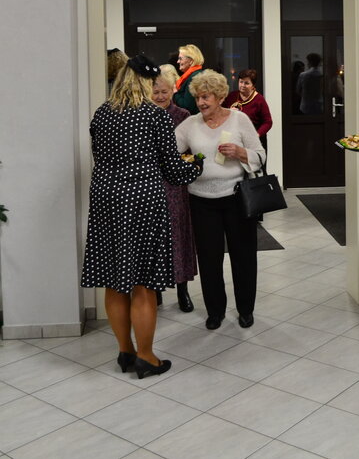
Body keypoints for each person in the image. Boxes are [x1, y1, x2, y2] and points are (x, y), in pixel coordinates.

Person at [81, 54, 202, 379]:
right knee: (144, 282)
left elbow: (100, 156)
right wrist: (197, 165)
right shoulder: (154, 116)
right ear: (147, 83)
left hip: (106, 199)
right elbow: (174, 171)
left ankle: (125, 351)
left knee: (114, 279)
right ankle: (146, 357)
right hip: (143, 200)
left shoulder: (102, 113)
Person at [175, 69, 266, 330]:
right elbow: (169, 152)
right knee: (209, 260)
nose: (201, 103)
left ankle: (246, 310)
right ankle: (215, 311)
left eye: (206, 97)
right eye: (198, 98)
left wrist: (240, 152)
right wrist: (184, 163)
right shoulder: (190, 124)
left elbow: (260, 155)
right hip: (201, 201)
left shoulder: (239, 120)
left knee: (244, 257)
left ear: (220, 97)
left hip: (237, 199)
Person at [152, 66, 197, 313]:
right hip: (150, 185)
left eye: (165, 91)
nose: (160, 96)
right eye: (156, 91)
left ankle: (182, 290)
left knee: (179, 237)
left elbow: (190, 150)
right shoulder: (143, 115)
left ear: (173, 91)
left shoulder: (183, 115)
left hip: (177, 186)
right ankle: (156, 290)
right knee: (155, 238)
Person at [223, 68, 273, 152]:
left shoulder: (259, 100)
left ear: (253, 85)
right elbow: (221, 112)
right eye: (241, 82)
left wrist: (257, 135)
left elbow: (268, 122)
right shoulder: (232, 96)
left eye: (246, 83)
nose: (242, 85)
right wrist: (229, 112)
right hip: (235, 140)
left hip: (254, 142)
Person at [173, 44, 204, 114]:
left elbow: (187, 106)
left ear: (191, 61)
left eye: (180, 58)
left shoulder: (193, 77)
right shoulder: (194, 75)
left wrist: (175, 93)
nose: (178, 61)